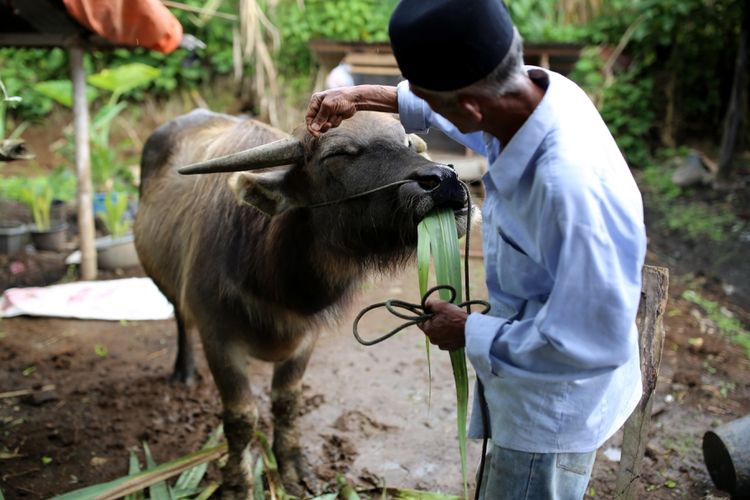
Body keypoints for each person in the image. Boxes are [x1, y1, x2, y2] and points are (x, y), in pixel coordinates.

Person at [305, 0, 647, 498]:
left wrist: (468, 330)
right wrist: (364, 97)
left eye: (437, 104)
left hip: (549, 409)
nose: (442, 117)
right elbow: (465, 115)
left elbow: (590, 342)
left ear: (470, 107)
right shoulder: (544, 95)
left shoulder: (568, 189)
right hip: (529, 376)